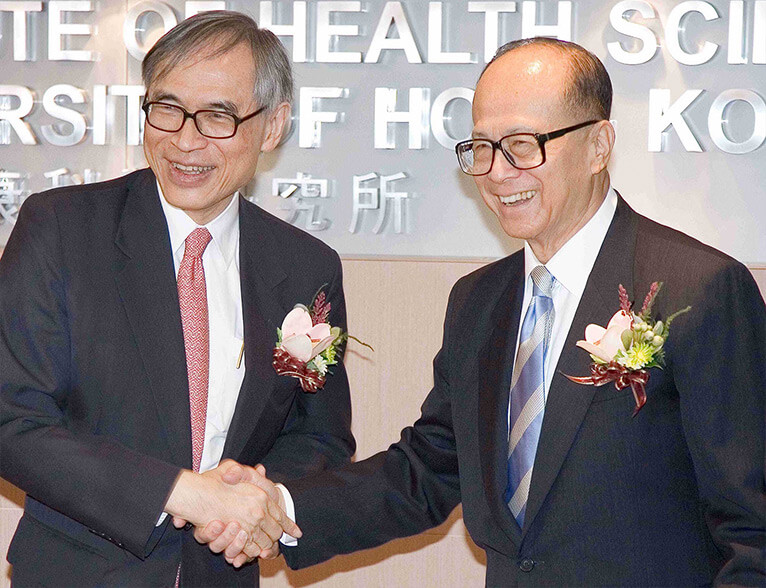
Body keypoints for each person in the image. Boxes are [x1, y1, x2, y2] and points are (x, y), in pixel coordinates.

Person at [202, 38, 766, 585]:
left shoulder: (701, 290)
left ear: (599, 145)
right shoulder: (479, 301)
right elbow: (428, 468)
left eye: (523, 144)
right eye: (481, 147)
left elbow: (752, 528)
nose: (497, 172)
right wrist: (278, 503)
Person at [0, 10, 354, 587]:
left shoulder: (303, 269)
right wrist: (182, 494)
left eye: (217, 116)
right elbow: (10, 417)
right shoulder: (62, 230)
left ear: (272, 128)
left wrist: (258, 505)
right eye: (166, 108)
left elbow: (320, 435)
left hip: (222, 571)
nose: (184, 141)